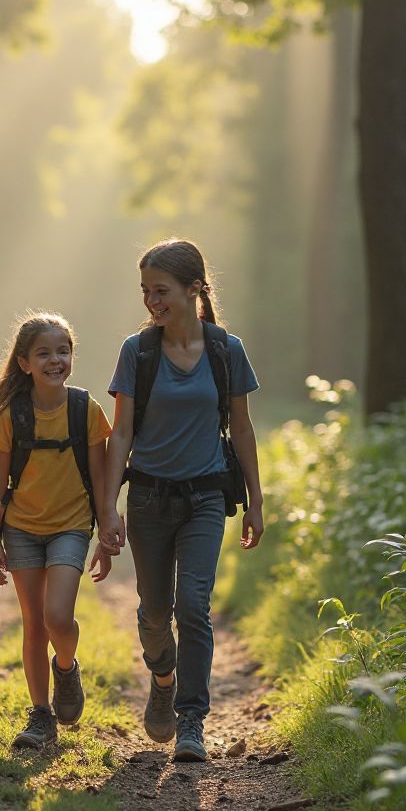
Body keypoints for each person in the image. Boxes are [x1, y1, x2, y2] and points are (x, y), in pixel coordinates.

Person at [98, 239, 263, 763]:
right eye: (146, 291)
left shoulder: (225, 350)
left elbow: (241, 428)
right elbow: (120, 434)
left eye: (161, 291)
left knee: (193, 606)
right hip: (148, 498)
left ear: (195, 290)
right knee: (153, 613)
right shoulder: (137, 351)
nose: (152, 301)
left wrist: (256, 500)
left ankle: (192, 719)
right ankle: (163, 678)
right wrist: (107, 507)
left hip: (205, 498)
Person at [0, 312, 112, 750]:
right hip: (20, 529)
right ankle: (40, 715)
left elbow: (100, 478)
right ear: (25, 363)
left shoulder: (86, 410)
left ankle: (67, 667)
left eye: (63, 351)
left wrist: (108, 531)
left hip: (70, 526)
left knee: (58, 615)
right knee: (34, 623)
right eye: (44, 353)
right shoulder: (12, 416)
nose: (55, 360)